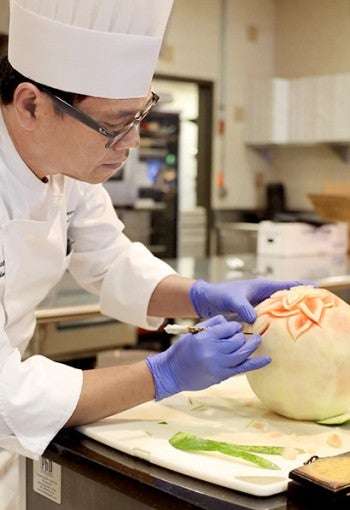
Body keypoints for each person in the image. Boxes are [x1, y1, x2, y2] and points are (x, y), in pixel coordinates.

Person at [0, 0, 303, 477]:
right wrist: (161, 375)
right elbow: (6, 393)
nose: (134, 142)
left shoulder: (70, 168)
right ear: (32, 105)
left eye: (140, 116)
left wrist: (201, 297)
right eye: (115, 126)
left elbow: (111, 261)